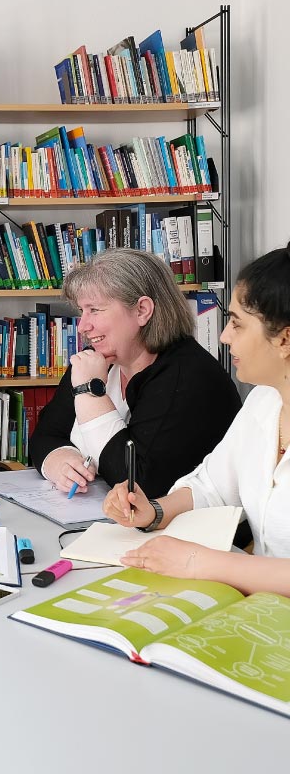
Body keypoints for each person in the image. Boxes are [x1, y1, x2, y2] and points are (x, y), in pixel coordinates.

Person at [104, 243, 290, 595]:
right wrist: (154, 511)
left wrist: (199, 563)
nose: (223, 336)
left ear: (285, 339)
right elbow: (212, 487)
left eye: (237, 324)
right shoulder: (263, 402)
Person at [30, 248, 241, 498]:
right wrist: (57, 460)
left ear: (142, 310)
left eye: (95, 310)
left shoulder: (187, 377)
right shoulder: (96, 360)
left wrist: (89, 392)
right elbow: (45, 436)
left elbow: (138, 482)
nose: (83, 327)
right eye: (81, 311)